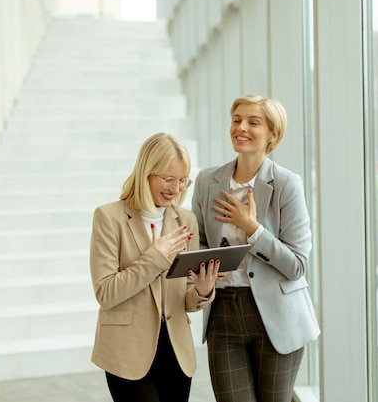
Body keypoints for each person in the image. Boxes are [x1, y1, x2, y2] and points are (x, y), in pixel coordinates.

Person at [191, 95, 320, 402]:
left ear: (272, 135)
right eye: (236, 119)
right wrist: (204, 270)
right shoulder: (207, 181)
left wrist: (252, 228)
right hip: (223, 312)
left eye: (253, 121)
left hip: (277, 315)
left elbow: (297, 265)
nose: (241, 127)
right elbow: (199, 242)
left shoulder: (287, 184)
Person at [89, 132, 221, 402]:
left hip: (176, 349)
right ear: (146, 173)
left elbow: (185, 298)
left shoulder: (186, 221)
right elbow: (106, 292)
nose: (176, 189)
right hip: (127, 350)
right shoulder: (109, 217)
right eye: (168, 179)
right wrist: (155, 257)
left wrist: (202, 291)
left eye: (183, 181)